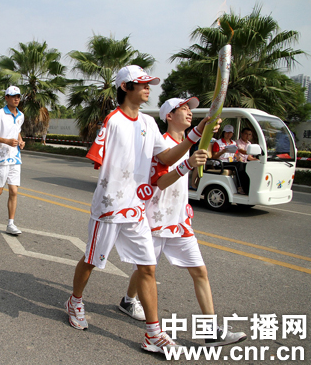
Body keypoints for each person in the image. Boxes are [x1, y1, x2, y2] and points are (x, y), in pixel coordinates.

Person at [64, 65, 216, 355]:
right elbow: (97, 159)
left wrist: (196, 134)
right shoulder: (112, 121)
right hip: (109, 207)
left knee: (147, 268)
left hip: (136, 209)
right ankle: (75, 300)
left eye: (150, 84)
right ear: (125, 88)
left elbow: (166, 155)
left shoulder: (148, 122)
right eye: (143, 84)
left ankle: (153, 333)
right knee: (92, 260)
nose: (148, 89)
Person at [118, 98, 246, 347]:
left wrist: (208, 129)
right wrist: (188, 164)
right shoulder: (160, 145)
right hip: (154, 220)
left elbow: (201, 144)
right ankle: (128, 300)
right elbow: (160, 182)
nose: (189, 112)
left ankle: (211, 331)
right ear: (169, 116)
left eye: (190, 109)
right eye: (184, 109)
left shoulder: (186, 144)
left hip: (179, 221)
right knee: (145, 269)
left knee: (199, 271)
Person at [0, 85, 25, 235]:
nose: (16, 99)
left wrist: (20, 141)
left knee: (14, 190)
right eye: (13, 96)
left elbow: (18, 131)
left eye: (18, 96)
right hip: (0, 159)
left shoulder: (21, 115)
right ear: (6, 98)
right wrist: (6, 141)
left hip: (15, 158)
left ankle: (11, 223)